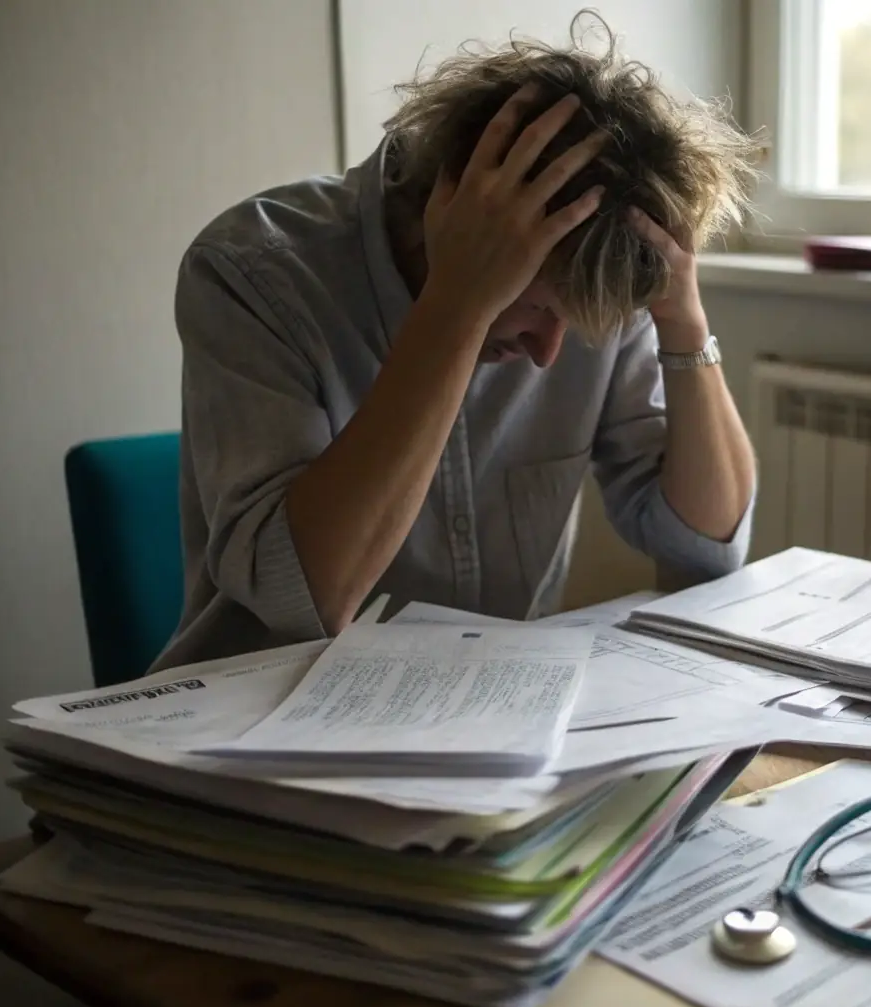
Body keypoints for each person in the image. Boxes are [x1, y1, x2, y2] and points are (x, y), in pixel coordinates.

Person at [151, 24, 760, 671]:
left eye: (572, 323)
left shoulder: (586, 278)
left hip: (483, 716)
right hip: (249, 720)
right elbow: (302, 600)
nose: (548, 352)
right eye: (532, 307)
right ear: (452, 216)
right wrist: (458, 305)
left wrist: (682, 319)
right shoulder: (254, 272)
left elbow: (705, 546)